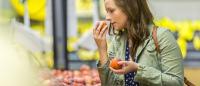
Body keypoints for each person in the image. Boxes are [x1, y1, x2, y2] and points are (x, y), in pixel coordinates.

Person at [93, 0, 184, 86]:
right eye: (106, 11)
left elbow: (176, 82)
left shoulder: (162, 37)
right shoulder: (117, 42)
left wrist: (138, 69)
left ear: (129, 8)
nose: (107, 17)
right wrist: (102, 49)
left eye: (111, 10)